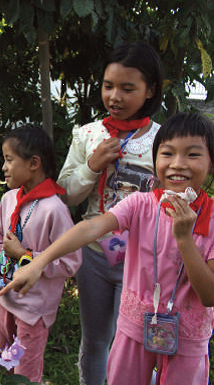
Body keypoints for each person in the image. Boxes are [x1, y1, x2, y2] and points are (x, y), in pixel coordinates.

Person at [1, 112, 214, 385]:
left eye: (193, 155)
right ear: (155, 159)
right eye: (167, 153)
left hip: (186, 343)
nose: (177, 164)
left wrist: (184, 239)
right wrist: (39, 262)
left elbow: (208, 295)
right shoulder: (141, 204)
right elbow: (90, 228)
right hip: (133, 333)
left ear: (210, 163)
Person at [55, 42, 163, 385]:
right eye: (108, 86)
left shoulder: (163, 140)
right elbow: (67, 195)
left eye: (127, 88)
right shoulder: (88, 135)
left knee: (130, 343)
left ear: (150, 90)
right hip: (95, 256)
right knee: (96, 339)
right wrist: (92, 165)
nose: (114, 96)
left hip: (144, 260)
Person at [0, 125, 81, 382]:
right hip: (5, 299)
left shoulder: (54, 210)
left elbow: (70, 261)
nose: (3, 167)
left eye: (9, 160)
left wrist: (25, 256)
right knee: (0, 361)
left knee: (25, 371)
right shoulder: (9, 200)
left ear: (34, 163)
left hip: (34, 310)